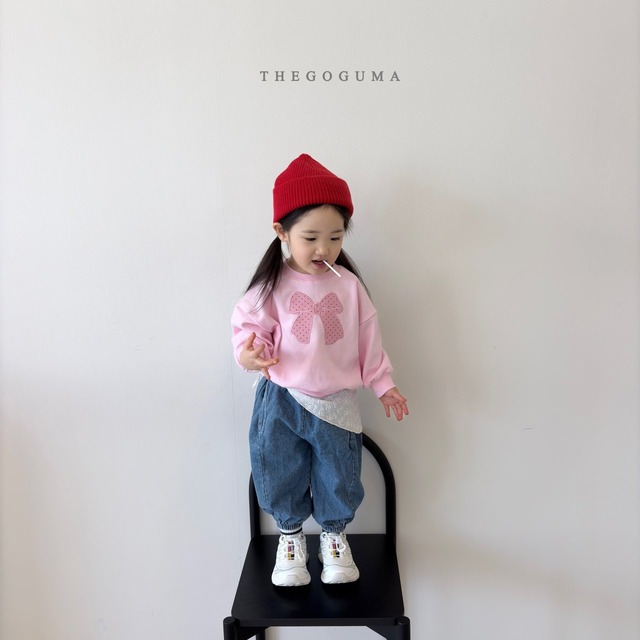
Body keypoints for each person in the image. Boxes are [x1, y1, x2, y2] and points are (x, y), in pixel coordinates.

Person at [231, 153, 408, 587]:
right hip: (281, 397)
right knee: (277, 466)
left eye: (335, 237)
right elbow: (249, 329)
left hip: (336, 400)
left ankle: (333, 537)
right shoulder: (270, 287)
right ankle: (290, 539)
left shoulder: (349, 287)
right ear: (282, 232)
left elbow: (368, 339)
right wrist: (249, 355)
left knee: (339, 471)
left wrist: (383, 384)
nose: (324, 249)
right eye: (310, 237)